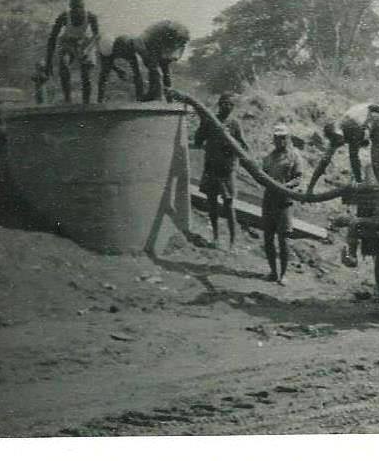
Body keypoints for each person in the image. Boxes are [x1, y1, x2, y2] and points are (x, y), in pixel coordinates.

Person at [194, 92, 248, 247]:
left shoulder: (235, 123)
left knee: (229, 204)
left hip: (227, 170)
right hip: (211, 167)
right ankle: (216, 237)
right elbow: (198, 140)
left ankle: (232, 241)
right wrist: (203, 123)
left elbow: (243, 145)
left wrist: (236, 150)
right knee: (212, 204)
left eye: (231, 104)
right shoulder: (211, 120)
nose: (227, 107)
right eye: (225, 103)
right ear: (219, 104)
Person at [97, 20, 191, 102]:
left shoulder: (129, 43)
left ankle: (159, 96)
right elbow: (105, 72)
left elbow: (138, 72)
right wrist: (117, 70)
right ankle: (157, 95)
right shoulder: (106, 50)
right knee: (157, 68)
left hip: (161, 39)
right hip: (160, 39)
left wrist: (140, 96)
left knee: (158, 69)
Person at [306, 102, 379, 193]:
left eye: (340, 142)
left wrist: (359, 181)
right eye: (338, 142)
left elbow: (354, 158)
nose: (341, 144)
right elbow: (324, 162)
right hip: (361, 118)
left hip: (371, 119)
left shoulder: (355, 130)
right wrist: (310, 188)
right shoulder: (336, 132)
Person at [261, 124, 305, 285]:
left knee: (283, 240)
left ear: (288, 138)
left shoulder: (294, 156)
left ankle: (283, 274)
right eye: (277, 138)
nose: (280, 140)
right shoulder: (269, 157)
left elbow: (298, 178)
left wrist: (286, 186)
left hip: (284, 202)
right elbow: (262, 175)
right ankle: (273, 272)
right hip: (269, 200)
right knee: (268, 238)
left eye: (283, 138)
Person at [45, 0, 100, 104]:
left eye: (79, 8)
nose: (77, 11)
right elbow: (52, 38)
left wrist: (87, 49)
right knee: (64, 63)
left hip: (85, 43)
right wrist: (48, 62)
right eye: (74, 8)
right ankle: (68, 100)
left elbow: (97, 35)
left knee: (86, 73)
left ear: (83, 7)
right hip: (68, 42)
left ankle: (86, 103)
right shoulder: (64, 16)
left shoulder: (90, 16)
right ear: (71, 8)